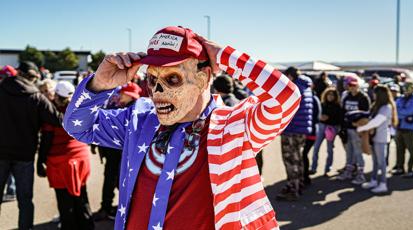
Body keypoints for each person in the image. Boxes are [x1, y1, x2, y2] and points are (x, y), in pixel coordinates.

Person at [63, 26, 301, 229]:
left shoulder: (236, 128)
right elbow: (79, 126)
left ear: (202, 78)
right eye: (152, 79)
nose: (156, 92)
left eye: (172, 79)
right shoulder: (138, 120)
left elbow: (285, 98)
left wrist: (225, 56)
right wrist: (99, 84)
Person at [0, 61, 62, 229]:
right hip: (25, 155)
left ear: (17, 72)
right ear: (34, 78)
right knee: (25, 200)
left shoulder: (2, 89)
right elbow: (58, 120)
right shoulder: (36, 97)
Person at [37, 81, 94, 230]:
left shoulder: (51, 112)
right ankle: (87, 225)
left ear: (56, 95)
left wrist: (40, 161)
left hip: (59, 160)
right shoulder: (80, 109)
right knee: (82, 196)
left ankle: (69, 226)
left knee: (64, 199)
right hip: (81, 156)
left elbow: (46, 139)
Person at [94, 82, 142, 221]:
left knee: (122, 182)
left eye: (123, 94)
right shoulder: (117, 105)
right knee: (111, 179)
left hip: (125, 154)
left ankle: (123, 210)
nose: (120, 96)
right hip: (112, 152)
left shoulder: (135, 109)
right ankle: (107, 207)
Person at [276, 67, 313, 201]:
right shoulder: (306, 87)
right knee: (298, 158)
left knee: (290, 160)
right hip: (302, 129)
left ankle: (293, 188)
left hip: (291, 129)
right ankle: (299, 183)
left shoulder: (292, 89)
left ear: (290, 76)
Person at [357, 85, 398, 194]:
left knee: (381, 162)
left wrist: (362, 128)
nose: (373, 95)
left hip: (381, 138)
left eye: (375, 93)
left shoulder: (386, 107)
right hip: (375, 137)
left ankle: (383, 184)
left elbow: (377, 121)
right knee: (375, 161)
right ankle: (374, 180)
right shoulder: (377, 106)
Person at [337, 76, 370, 184]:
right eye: (350, 85)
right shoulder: (347, 97)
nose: (352, 87)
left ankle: (360, 174)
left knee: (358, 151)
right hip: (348, 128)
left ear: (358, 86)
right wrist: (342, 126)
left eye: (354, 85)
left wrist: (359, 124)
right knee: (349, 150)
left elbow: (366, 114)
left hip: (358, 129)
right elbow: (343, 112)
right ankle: (349, 170)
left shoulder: (363, 97)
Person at [392, 82, 413, 177]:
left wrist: (399, 113)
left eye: (408, 88)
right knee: (399, 149)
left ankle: (410, 170)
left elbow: (409, 111)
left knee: (411, 150)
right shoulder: (400, 98)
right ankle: (400, 168)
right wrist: (400, 113)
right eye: (405, 88)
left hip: (409, 128)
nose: (406, 90)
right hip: (399, 127)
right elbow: (395, 109)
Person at [311, 87, 343, 176]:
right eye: (328, 94)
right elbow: (316, 114)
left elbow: (340, 119)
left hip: (331, 128)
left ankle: (328, 168)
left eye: (332, 95)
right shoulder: (322, 104)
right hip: (321, 127)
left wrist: (329, 119)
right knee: (316, 147)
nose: (330, 96)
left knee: (329, 149)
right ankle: (313, 167)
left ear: (335, 96)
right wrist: (320, 117)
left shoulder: (338, 106)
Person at [302, 92, 321, 183]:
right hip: (304, 132)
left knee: (303, 154)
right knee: (302, 155)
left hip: (311, 133)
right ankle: (303, 175)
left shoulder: (313, 99)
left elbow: (317, 117)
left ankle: (306, 177)